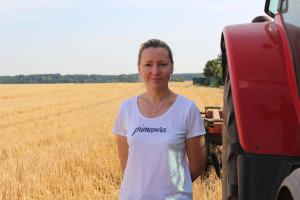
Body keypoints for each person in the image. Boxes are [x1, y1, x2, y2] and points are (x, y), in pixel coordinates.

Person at [112, 39, 207, 200]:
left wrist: (174, 190)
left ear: (171, 67)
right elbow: (127, 166)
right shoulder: (126, 109)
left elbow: (197, 166)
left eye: (162, 64)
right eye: (148, 64)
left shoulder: (187, 109)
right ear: (139, 68)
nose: (155, 71)